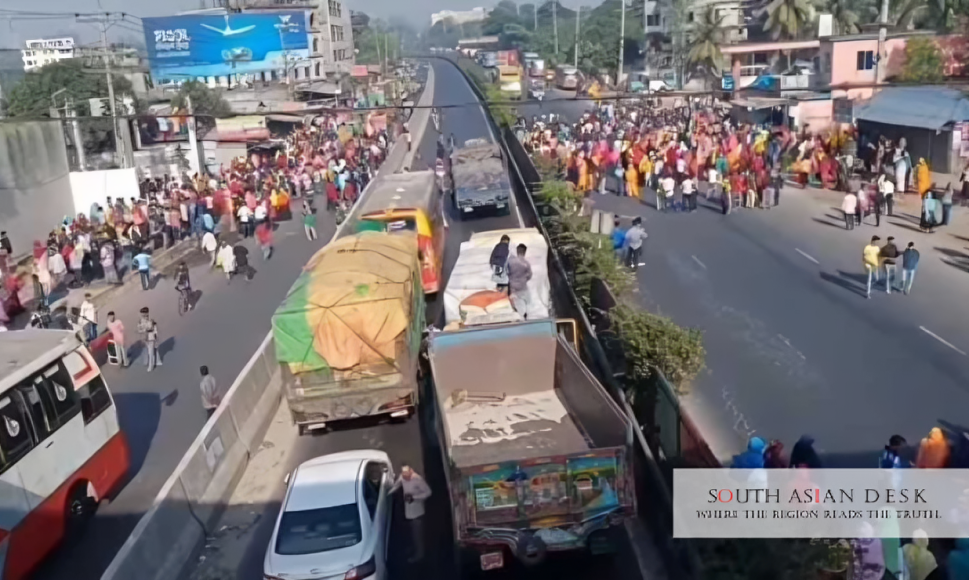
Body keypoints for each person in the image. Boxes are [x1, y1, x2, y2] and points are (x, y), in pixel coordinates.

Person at [391, 465, 432, 563]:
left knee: (417, 535)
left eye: (407, 474)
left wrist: (414, 497)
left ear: (411, 472)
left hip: (417, 513)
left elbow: (428, 492)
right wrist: (387, 493)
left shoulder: (418, 479)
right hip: (408, 512)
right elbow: (396, 485)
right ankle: (414, 549)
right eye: (403, 474)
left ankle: (420, 554)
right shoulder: (402, 478)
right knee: (412, 534)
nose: (405, 477)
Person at [505, 243, 532, 319]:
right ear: (524, 252)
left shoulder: (510, 261)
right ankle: (525, 316)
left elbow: (506, 273)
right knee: (527, 302)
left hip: (513, 287)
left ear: (517, 251)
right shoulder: (526, 263)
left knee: (517, 304)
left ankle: (520, 316)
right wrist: (524, 280)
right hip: (523, 287)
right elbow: (529, 275)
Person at [137, 307, 161, 372]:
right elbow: (139, 329)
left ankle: (151, 366)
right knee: (149, 350)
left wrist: (155, 334)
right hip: (145, 338)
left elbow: (153, 327)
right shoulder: (140, 321)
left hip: (151, 337)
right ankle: (156, 361)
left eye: (145, 314)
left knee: (150, 352)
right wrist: (142, 330)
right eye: (143, 314)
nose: (144, 316)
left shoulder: (151, 320)